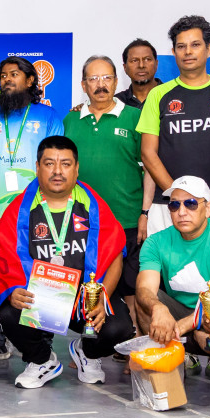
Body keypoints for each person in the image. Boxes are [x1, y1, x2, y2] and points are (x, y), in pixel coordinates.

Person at [0, 136, 132, 388]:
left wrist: (102, 296)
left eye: (66, 164)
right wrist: (13, 290)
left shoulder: (94, 207)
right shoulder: (18, 210)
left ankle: (87, 353)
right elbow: (3, 262)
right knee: (9, 311)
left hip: (84, 299)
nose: (57, 171)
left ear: (77, 168)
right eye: (49, 163)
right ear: (37, 167)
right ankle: (42, 360)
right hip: (42, 299)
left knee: (119, 327)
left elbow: (114, 256)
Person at [135, 176, 210, 395]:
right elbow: (145, 289)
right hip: (182, 315)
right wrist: (159, 308)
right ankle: (166, 368)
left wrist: (187, 326)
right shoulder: (155, 241)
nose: (182, 211)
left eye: (191, 203)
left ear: (209, 207)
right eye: (174, 205)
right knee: (147, 301)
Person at [137, 16, 210, 237]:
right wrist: (180, 199)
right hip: (169, 207)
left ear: (209, 48)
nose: (188, 52)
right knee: (166, 272)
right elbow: (148, 153)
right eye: (181, 46)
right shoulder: (158, 95)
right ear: (174, 52)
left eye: (195, 45)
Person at [0, 55, 65, 274]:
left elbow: (57, 165)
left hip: (36, 209)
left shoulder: (48, 116)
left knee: (35, 272)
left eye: (14, 75)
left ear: (30, 81)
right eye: (3, 76)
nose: (6, 80)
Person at [64, 56, 150, 309]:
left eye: (106, 78)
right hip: (82, 223)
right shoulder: (70, 120)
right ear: (83, 85)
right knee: (85, 287)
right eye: (93, 79)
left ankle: (134, 344)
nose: (100, 85)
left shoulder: (136, 118)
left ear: (115, 81)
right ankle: (88, 339)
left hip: (127, 220)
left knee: (132, 290)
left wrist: (145, 213)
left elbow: (149, 170)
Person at [116, 39, 161, 109]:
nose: (141, 65)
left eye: (147, 59)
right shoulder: (116, 102)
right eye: (134, 60)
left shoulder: (171, 96)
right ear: (125, 68)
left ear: (156, 64)